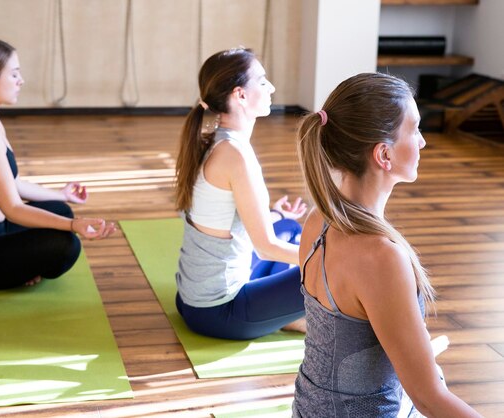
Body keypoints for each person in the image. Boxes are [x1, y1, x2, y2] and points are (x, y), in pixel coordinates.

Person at [292, 73, 481, 417]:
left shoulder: (317, 221)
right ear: (383, 154)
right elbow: (429, 399)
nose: (422, 142)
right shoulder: (380, 256)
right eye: (415, 130)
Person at [0, 36, 115, 290]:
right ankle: (16, 270)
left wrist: (61, 194)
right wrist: (75, 226)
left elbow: (13, 183)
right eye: (14, 74)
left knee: (59, 209)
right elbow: (12, 207)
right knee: (66, 245)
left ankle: (18, 267)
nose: (22, 81)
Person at [174, 48, 308, 341]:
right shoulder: (235, 155)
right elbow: (266, 249)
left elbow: (221, 220)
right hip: (220, 313)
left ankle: (286, 316)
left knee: (287, 226)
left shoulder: (215, 142)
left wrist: (275, 215)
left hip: (192, 301)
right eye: (261, 81)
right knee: (331, 270)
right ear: (240, 95)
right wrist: (334, 259)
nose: (270, 87)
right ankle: (294, 319)